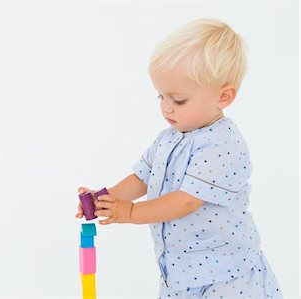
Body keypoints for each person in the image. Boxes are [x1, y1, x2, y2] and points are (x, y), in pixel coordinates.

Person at [75, 18, 282, 299]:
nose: (166, 108)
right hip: (179, 270)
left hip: (225, 274)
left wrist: (131, 213)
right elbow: (142, 177)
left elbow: (186, 200)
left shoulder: (222, 143)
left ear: (224, 96)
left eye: (179, 100)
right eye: (160, 96)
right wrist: (106, 198)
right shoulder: (169, 137)